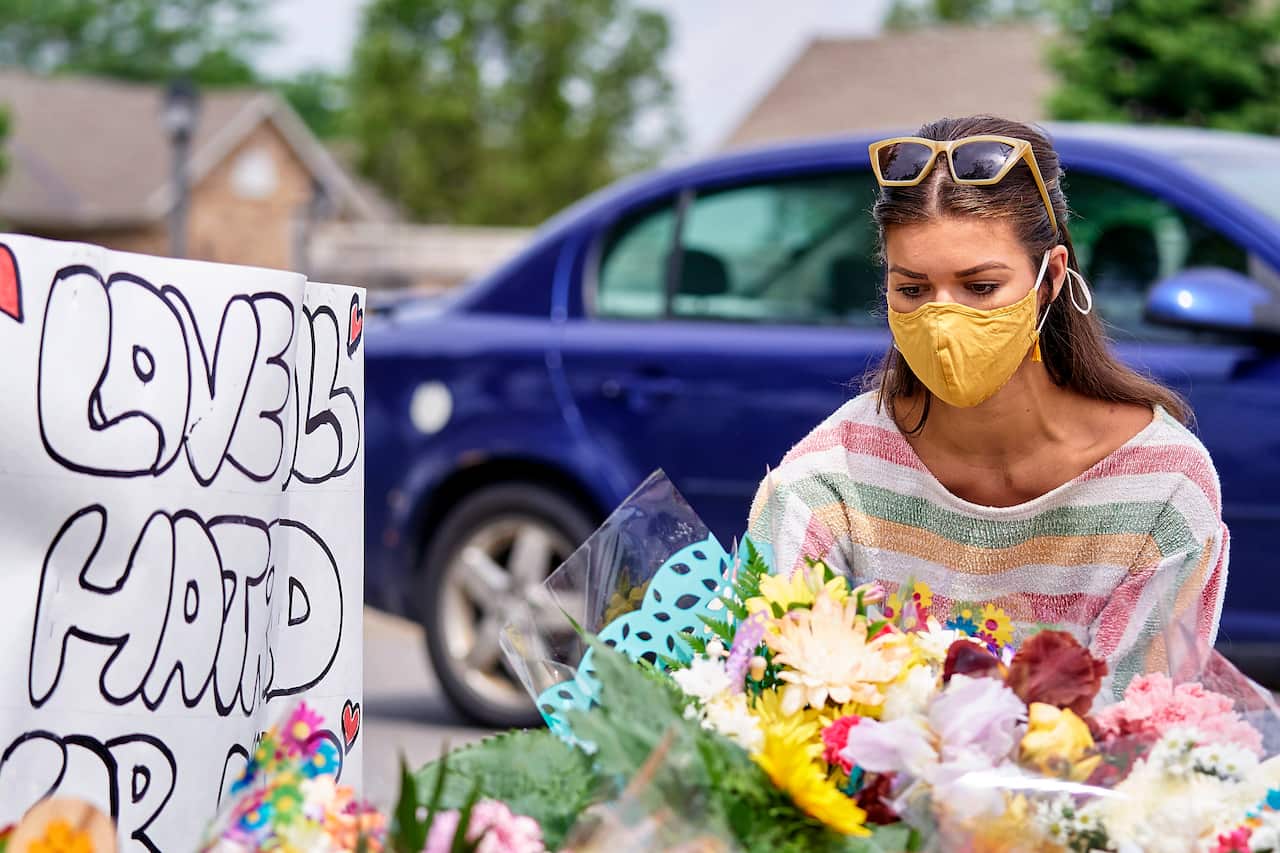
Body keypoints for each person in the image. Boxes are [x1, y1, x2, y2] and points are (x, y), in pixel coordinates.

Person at [746, 115, 1227, 696]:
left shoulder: (1163, 492)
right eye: (913, 289)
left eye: (980, 288)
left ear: (1050, 277)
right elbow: (769, 697)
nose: (944, 321)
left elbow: (1138, 736)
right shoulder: (827, 481)